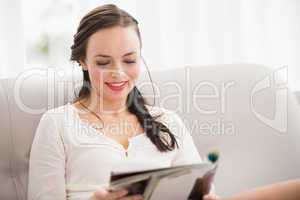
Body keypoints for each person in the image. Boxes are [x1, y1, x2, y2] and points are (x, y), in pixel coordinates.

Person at [28, 4, 214, 200]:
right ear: (82, 60)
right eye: (103, 62)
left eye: (129, 60)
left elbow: (198, 190)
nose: (118, 72)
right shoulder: (57, 124)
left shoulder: (168, 122)